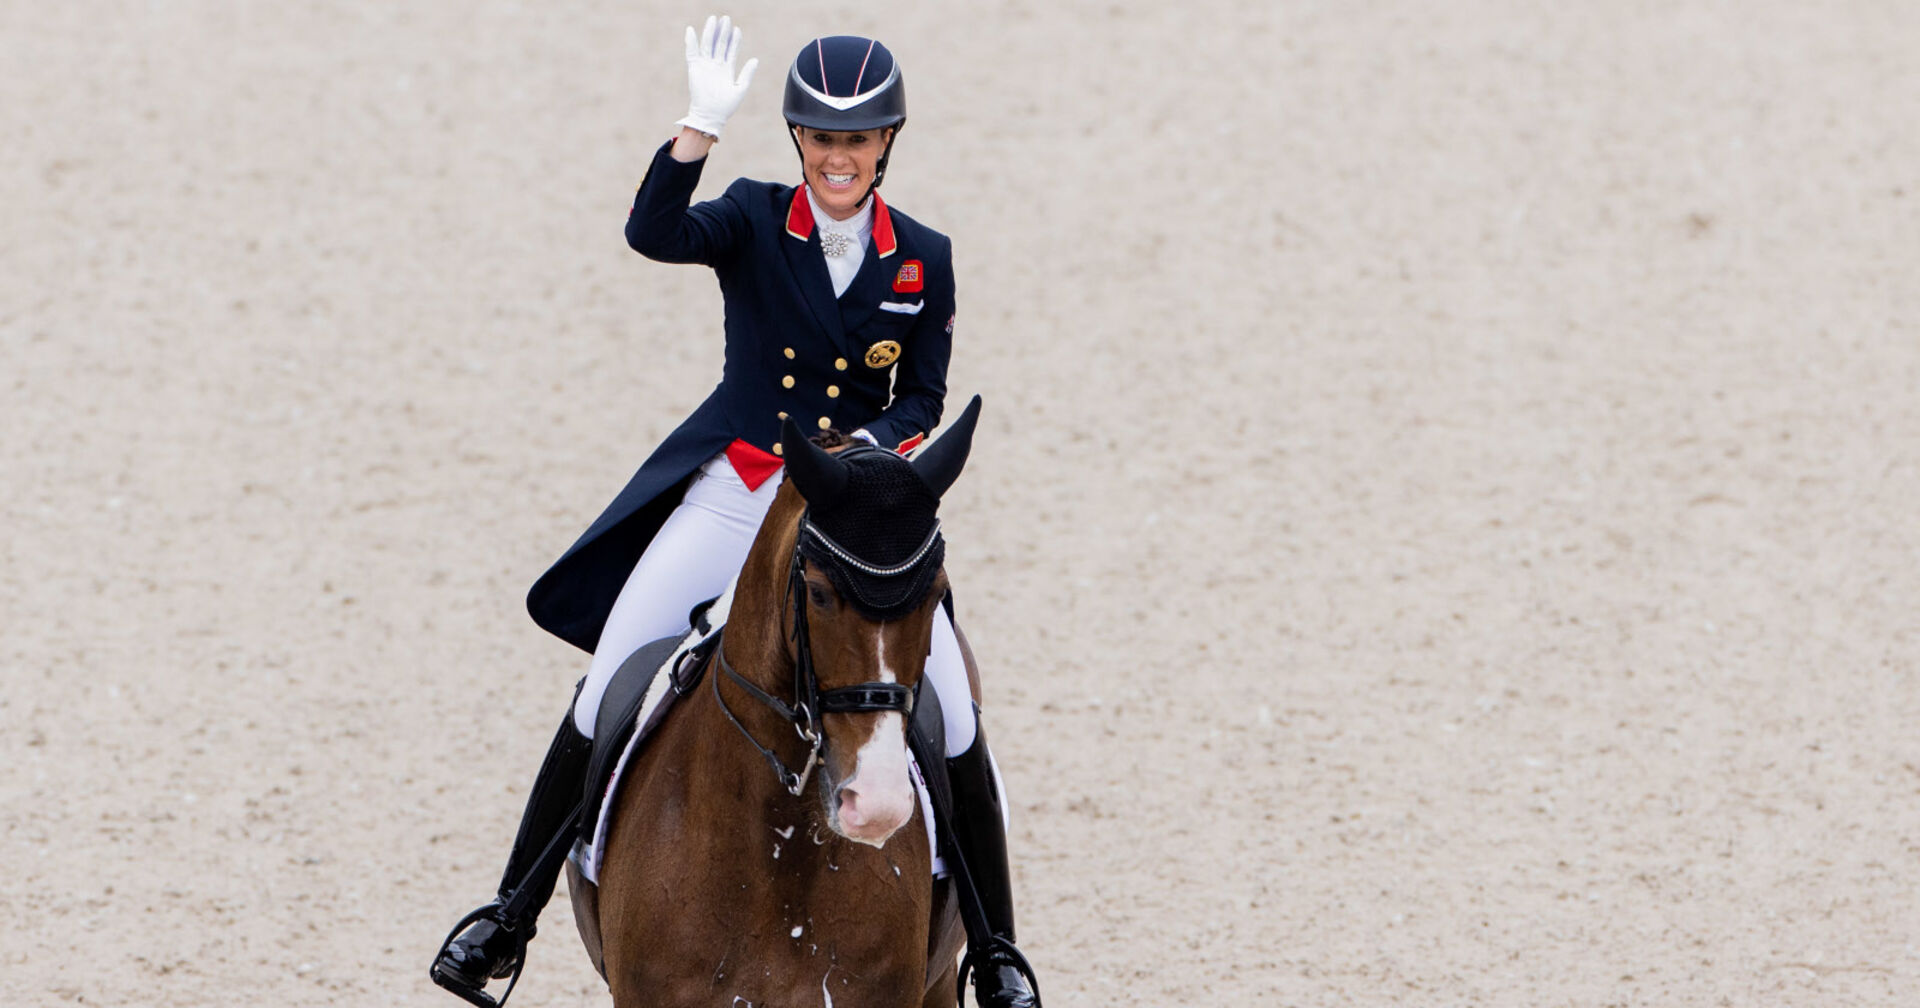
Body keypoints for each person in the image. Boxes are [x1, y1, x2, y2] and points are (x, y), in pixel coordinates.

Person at [429, 18, 1039, 1008]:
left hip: (856, 511)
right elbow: (654, 234)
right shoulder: (754, 219)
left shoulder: (925, 258)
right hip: (739, 488)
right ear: (800, 141)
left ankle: (996, 951)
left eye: (859, 140)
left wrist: (869, 459)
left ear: (887, 143)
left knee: (957, 719)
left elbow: (925, 396)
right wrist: (696, 132)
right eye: (822, 139)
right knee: (613, 680)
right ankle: (509, 913)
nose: (840, 158)